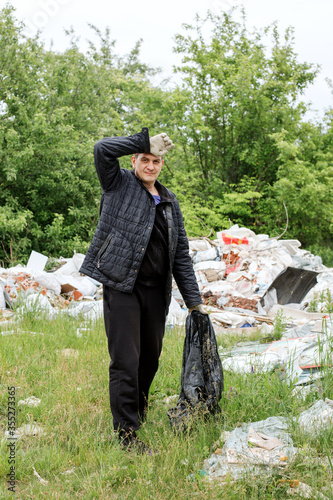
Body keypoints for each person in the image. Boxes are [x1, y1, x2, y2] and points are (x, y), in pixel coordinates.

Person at [80, 127, 204, 453]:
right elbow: (102, 147)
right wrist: (141, 140)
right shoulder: (118, 183)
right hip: (122, 287)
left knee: (149, 360)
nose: (150, 166)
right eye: (145, 159)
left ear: (162, 164)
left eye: (156, 161)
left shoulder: (169, 202)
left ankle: (136, 413)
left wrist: (195, 302)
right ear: (134, 160)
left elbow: (180, 256)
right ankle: (127, 436)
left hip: (155, 291)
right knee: (125, 361)